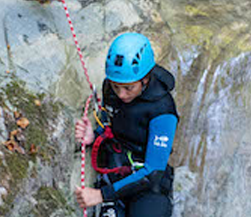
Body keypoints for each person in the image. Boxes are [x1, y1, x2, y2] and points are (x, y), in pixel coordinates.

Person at [74, 32, 178, 217]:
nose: (121, 94)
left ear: (145, 79)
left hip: (147, 182)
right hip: (116, 165)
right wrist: (95, 135)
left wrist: (101, 195)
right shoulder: (110, 87)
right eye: (116, 87)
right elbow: (111, 120)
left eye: (129, 88)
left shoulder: (163, 109)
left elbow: (153, 171)